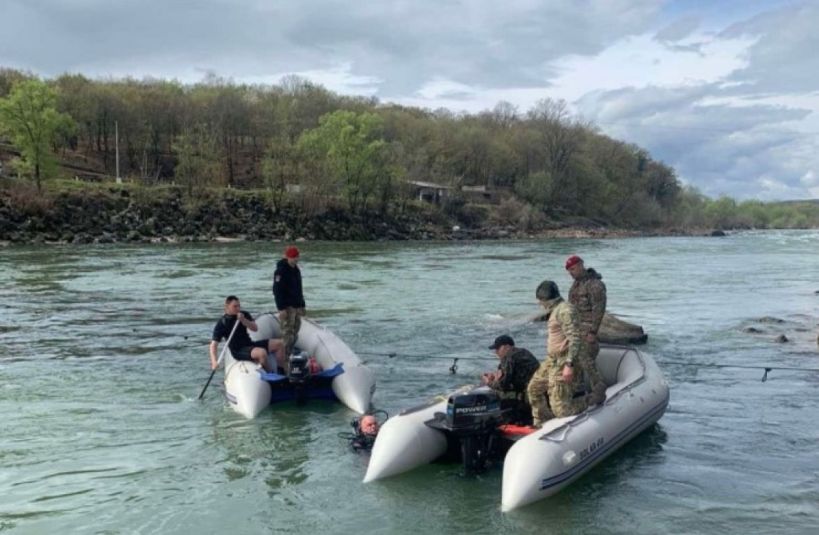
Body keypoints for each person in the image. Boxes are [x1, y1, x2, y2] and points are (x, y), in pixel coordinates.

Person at [527, 280, 588, 427]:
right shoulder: (556, 310)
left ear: (547, 299)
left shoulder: (565, 311)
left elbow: (575, 338)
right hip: (552, 359)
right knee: (534, 389)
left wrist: (569, 364)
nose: (540, 304)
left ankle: (587, 401)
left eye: (541, 300)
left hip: (563, 360)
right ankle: (543, 421)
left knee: (561, 409)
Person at [565, 255, 608, 406]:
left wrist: (593, 332)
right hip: (575, 332)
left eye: (573, 268)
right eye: (569, 270)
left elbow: (599, 309)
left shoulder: (594, 285)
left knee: (586, 362)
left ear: (581, 265)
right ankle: (578, 396)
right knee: (575, 365)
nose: (571, 272)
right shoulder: (575, 286)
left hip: (587, 331)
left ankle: (599, 389)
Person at [210, 295, 282, 372]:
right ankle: (270, 374)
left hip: (249, 344)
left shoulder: (244, 314)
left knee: (280, 343)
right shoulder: (222, 323)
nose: (238, 308)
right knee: (261, 353)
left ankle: (281, 370)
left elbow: (255, 328)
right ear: (227, 306)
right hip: (238, 350)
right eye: (235, 306)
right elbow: (213, 345)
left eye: (239, 306)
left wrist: (243, 320)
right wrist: (214, 361)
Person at [481, 335, 539, 421]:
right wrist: (494, 377)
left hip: (528, 396)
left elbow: (503, 385)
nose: (496, 352)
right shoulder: (523, 351)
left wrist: (488, 382)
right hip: (537, 391)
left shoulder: (509, 356)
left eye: (497, 349)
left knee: (497, 394)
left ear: (507, 347)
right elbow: (511, 375)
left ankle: (510, 421)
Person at [273, 246, 306, 367]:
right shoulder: (281, 271)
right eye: (293, 257)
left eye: (296, 257)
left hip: (297, 305)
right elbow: (277, 291)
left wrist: (302, 305)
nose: (295, 259)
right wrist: (281, 308)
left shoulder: (296, 269)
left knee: (295, 331)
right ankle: (284, 361)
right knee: (287, 333)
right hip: (286, 307)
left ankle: (290, 353)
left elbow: (299, 288)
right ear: (287, 257)